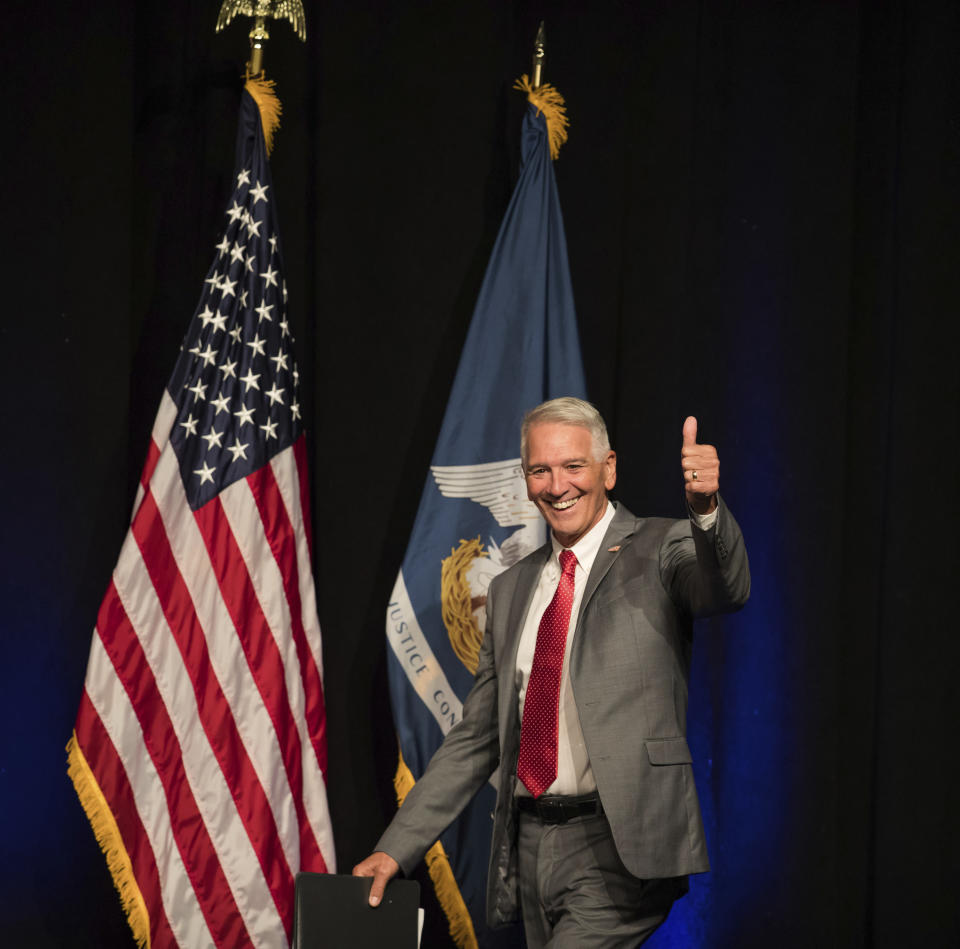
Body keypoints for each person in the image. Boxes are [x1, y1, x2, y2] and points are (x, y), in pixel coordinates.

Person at [354, 397, 750, 947]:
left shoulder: (663, 547)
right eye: (540, 470)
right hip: (531, 847)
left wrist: (705, 510)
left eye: (573, 466)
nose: (556, 484)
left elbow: (726, 588)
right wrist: (394, 849)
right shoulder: (510, 588)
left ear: (608, 468)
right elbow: (474, 739)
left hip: (619, 849)